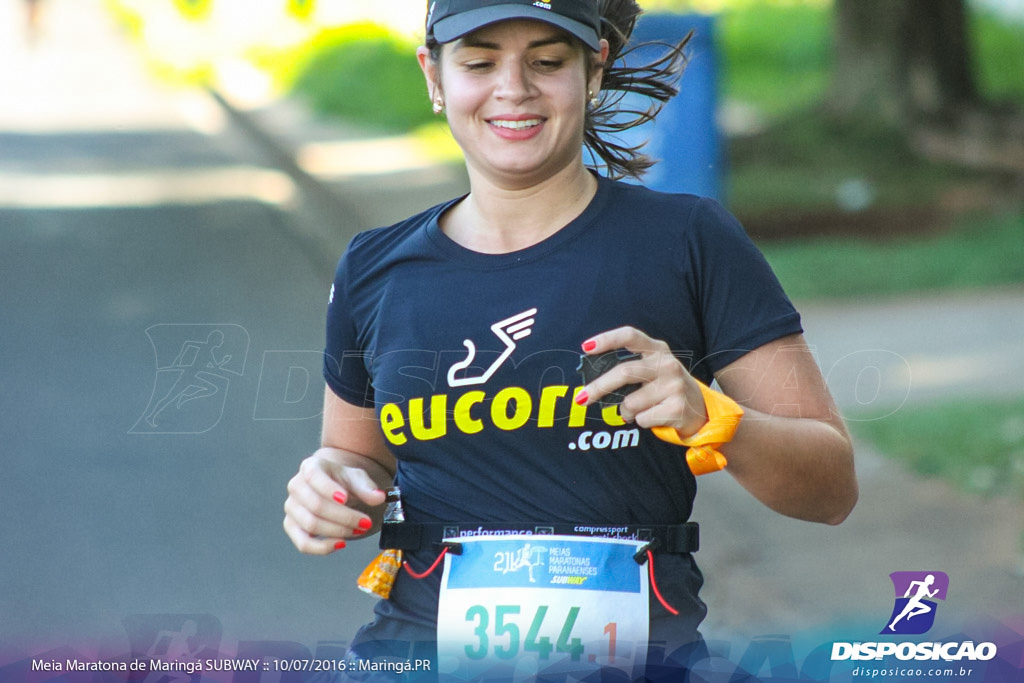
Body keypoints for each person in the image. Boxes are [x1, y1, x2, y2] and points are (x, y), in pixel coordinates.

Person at [283, 0, 858, 679]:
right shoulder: (374, 267)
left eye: (548, 61)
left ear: (595, 70)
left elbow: (831, 487)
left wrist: (713, 418)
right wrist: (329, 486)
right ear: (434, 77)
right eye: (478, 61)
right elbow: (355, 459)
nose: (513, 88)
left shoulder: (688, 241)